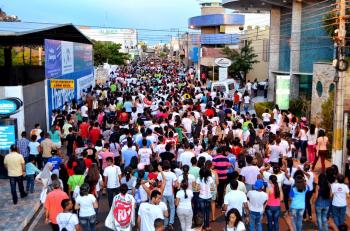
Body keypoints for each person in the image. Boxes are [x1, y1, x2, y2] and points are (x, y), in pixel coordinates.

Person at [157, 160, 177, 230]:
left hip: (162, 193)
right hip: (170, 193)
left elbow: (158, 183)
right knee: (172, 207)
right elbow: (175, 184)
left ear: (163, 166)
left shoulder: (160, 174)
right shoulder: (172, 174)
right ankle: (171, 222)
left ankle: (165, 223)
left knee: (164, 208)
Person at [196, 166, 214, 230]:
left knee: (203, 212)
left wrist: (201, 189)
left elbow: (197, 189)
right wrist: (208, 189)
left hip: (201, 197)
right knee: (207, 212)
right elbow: (213, 189)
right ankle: (207, 226)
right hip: (208, 197)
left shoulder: (199, 179)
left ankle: (203, 225)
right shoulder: (210, 178)